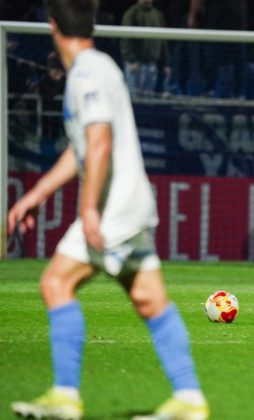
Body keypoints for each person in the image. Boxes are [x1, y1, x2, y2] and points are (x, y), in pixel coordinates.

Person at [8, 1, 209, 419]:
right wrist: (38, 193)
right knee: (150, 300)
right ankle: (190, 399)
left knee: (55, 283)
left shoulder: (87, 73)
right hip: (129, 205)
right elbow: (83, 148)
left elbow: (99, 143)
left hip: (114, 209)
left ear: (52, 26)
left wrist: (88, 210)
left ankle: (65, 396)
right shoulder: (98, 67)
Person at [120, 0, 171, 97]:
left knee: (148, 99)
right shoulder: (131, 14)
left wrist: (166, 63)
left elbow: (163, 40)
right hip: (135, 65)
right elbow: (126, 39)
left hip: (151, 64)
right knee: (133, 98)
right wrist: (131, 60)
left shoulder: (157, 15)